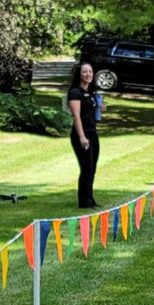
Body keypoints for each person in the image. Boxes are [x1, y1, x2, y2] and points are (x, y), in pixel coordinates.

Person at [67, 61, 104, 209]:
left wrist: (101, 108)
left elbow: (92, 113)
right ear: (79, 74)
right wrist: (82, 137)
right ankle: (84, 201)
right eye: (85, 72)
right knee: (86, 168)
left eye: (90, 72)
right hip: (81, 135)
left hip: (93, 133)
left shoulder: (92, 92)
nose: (88, 74)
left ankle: (90, 198)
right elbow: (76, 116)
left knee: (92, 168)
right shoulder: (75, 92)